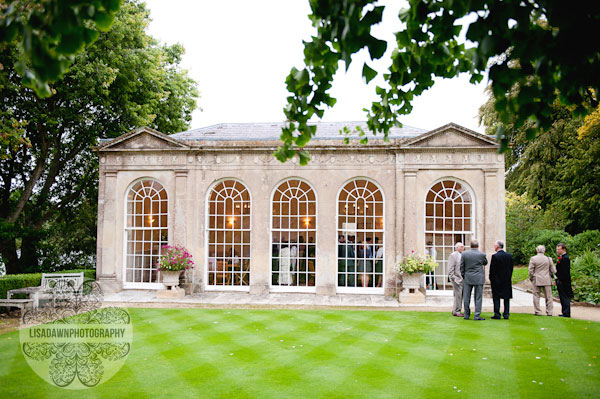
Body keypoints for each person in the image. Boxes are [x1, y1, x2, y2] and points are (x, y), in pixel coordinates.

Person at [460, 239, 488, 320]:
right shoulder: (482, 254)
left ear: (470, 246)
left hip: (468, 277)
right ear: (478, 246)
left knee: (466, 297)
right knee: (478, 297)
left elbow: (461, 266)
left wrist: (463, 275)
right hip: (478, 277)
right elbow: (485, 263)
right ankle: (477, 315)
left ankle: (466, 315)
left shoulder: (464, 254)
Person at [528, 245, 557, 316]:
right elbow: (554, 270)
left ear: (537, 251)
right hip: (547, 279)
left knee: (536, 295)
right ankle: (549, 311)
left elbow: (530, 270)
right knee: (549, 297)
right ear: (544, 251)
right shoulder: (549, 259)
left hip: (536, 279)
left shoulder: (533, 259)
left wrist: (531, 277)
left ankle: (538, 311)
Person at [489, 240, 514, 319]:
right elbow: (511, 268)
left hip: (497, 280)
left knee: (496, 298)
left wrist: (491, 279)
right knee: (506, 298)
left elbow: (492, 270)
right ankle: (506, 314)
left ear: (497, 246)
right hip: (506, 280)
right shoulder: (509, 256)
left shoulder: (495, 256)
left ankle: (497, 314)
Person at [555, 243, 574, 318]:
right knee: (562, 297)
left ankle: (566, 313)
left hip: (564, 281)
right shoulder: (562, 258)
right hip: (561, 280)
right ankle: (564, 312)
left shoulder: (565, 258)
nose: (557, 251)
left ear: (564, 249)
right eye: (557, 249)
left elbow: (565, 271)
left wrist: (560, 279)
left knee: (564, 297)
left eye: (559, 249)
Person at [447, 242, 465, 317]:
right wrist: (453, 278)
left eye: (463, 247)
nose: (462, 248)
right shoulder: (453, 255)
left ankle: (455, 310)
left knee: (459, 296)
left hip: (462, 279)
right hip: (457, 279)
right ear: (457, 248)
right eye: (461, 247)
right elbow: (450, 268)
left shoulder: (463, 255)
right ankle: (457, 311)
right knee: (458, 296)